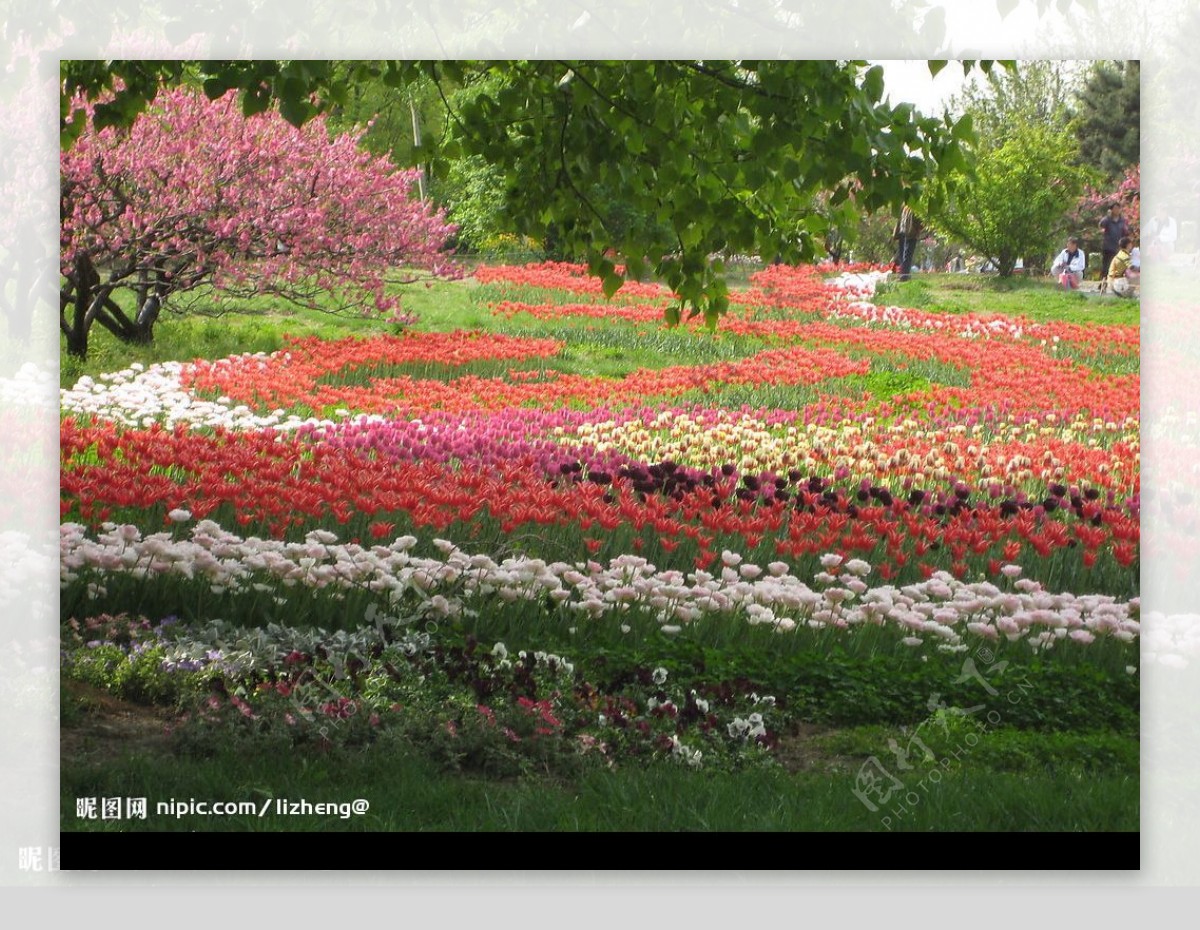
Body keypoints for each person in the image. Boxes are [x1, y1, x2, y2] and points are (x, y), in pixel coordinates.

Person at [1098, 204, 1129, 294]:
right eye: (1115, 208)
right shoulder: (1107, 219)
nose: (1117, 210)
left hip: (1118, 248)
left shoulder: (1122, 221)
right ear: (1111, 210)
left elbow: (1125, 232)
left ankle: (1117, 287)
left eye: (1118, 208)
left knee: (1119, 268)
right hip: (1108, 246)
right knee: (1106, 267)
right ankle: (1103, 285)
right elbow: (1100, 225)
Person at [893, 205, 924, 281]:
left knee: (904, 256)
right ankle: (904, 276)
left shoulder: (904, 207)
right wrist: (919, 229)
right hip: (909, 233)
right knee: (906, 256)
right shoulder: (913, 207)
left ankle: (904, 275)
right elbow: (918, 221)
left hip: (904, 232)